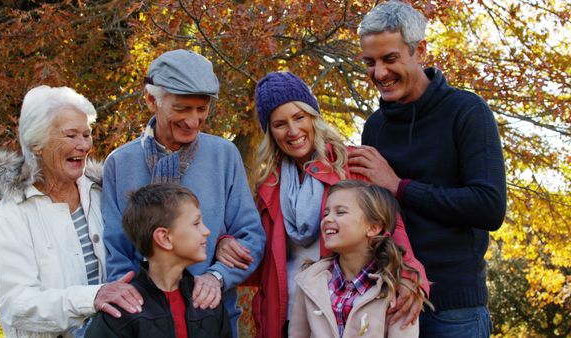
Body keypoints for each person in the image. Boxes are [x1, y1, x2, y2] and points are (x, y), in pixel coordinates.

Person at [216, 71, 429, 338]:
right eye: (280, 124)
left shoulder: (351, 166)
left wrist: (410, 277)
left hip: (343, 315)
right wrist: (222, 243)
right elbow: (257, 256)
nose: (293, 131)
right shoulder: (269, 187)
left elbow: (391, 228)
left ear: (313, 116)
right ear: (270, 131)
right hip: (283, 316)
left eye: (299, 117)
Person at [351, 1, 507, 337]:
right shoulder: (375, 127)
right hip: (390, 303)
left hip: (454, 312)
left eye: (390, 59)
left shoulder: (467, 112)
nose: (379, 73)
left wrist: (399, 186)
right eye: (370, 62)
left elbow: (489, 206)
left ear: (419, 51)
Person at [101, 49, 265, 337]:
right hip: (143, 324)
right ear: (152, 100)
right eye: (181, 108)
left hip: (214, 320)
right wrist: (140, 308)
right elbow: (117, 250)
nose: (193, 121)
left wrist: (217, 276)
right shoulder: (120, 163)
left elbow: (250, 237)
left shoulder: (223, 155)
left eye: (201, 109)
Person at [0, 85, 143, 338]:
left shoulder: (104, 195)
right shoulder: (9, 217)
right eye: (71, 136)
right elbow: (17, 305)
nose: (83, 145)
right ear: (36, 144)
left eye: (86, 135)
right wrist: (92, 297)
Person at [86, 183, 232, 338]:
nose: (207, 231)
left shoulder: (209, 301)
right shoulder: (120, 313)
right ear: (165, 238)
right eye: (196, 223)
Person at [289, 180, 431, 338]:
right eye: (326, 213)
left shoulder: (395, 288)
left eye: (340, 212)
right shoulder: (309, 280)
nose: (327, 219)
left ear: (373, 228)